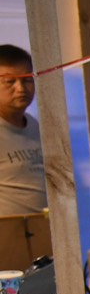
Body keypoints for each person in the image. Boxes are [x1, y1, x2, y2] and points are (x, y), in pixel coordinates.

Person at [0, 46, 47, 216]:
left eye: (27, 80)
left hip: (42, 226)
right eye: (9, 81)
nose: (21, 88)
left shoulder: (33, 125)